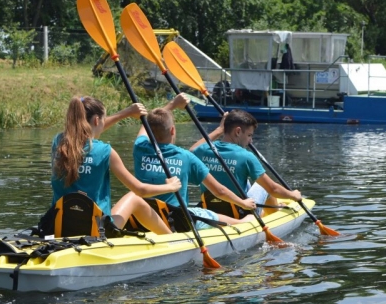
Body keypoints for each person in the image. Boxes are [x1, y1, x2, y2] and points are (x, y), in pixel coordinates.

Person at [51, 96, 182, 235]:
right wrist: (170, 187)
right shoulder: (105, 151)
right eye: (103, 120)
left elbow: (87, 132)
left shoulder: (58, 143)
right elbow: (141, 190)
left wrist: (126, 113)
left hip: (58, 226)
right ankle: (171, 239)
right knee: (134, 198)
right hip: (96, 231)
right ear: (96, 120)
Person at [133, 93, 256, 230]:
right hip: (177, 220)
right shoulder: (186, 157)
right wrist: (243, 203)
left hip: (143, 217)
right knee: (208, 214)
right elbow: (219, 191)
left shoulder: (140, 147)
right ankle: (242, 223)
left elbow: (148, 124)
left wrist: (172, 104)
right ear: (172, 130)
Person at [190, 109, 302, 215]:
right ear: (238, 132)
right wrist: (293, 195)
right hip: (241, 212)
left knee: (245, 180)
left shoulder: (203, 150)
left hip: (210, 209)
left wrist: (219, 130)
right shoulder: (246, 156)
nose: (250, 141)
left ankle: (266, 210)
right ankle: (275, 213)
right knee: (262, 186)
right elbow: (273, 189)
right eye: (249, 135)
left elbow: (191, 150)